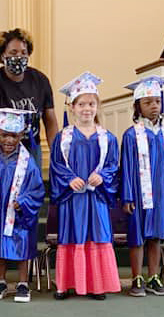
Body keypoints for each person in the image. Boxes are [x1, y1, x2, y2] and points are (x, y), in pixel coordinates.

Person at [50, 72, 121, 300]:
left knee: (96, 235)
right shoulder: (63, 138)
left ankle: (96, 285)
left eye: (91, 104)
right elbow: (56, 166)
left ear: (98, 105)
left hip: (96, 197)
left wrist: (103, 176)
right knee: (72, 235)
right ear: (72, 107)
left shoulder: (107, 138)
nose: (87, 109)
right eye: (81, 104)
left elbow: (112, 165)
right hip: (73, 199)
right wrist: (69, 179)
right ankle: (65, 284)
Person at [119, 76, 164, 297]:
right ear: (138, 106)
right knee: (138, 235)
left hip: (162, 195)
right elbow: (127, 168)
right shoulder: (131, 135)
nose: (154, 106)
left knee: (156, 236)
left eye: (157, 101)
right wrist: (127, 196)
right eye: (148, 102)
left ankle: (154, 277)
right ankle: (137, 277)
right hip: (139, 195)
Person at [0, 108, 45, 303]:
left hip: (19, 213)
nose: (9, 140)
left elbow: (37, 188)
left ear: (21, 135)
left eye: (14, 136)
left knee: (22, 247)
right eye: (4, 135)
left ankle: (23, 283)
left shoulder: (28, 162)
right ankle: (1, 281)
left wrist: (23, 202)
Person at [0, 28, 60, 165]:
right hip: (1, 150)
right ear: (3, 55)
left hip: (31, 147)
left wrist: (57, 156)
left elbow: (50, 122)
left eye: (23, 53)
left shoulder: (40, 80)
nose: (19, 57)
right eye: (13, 53)